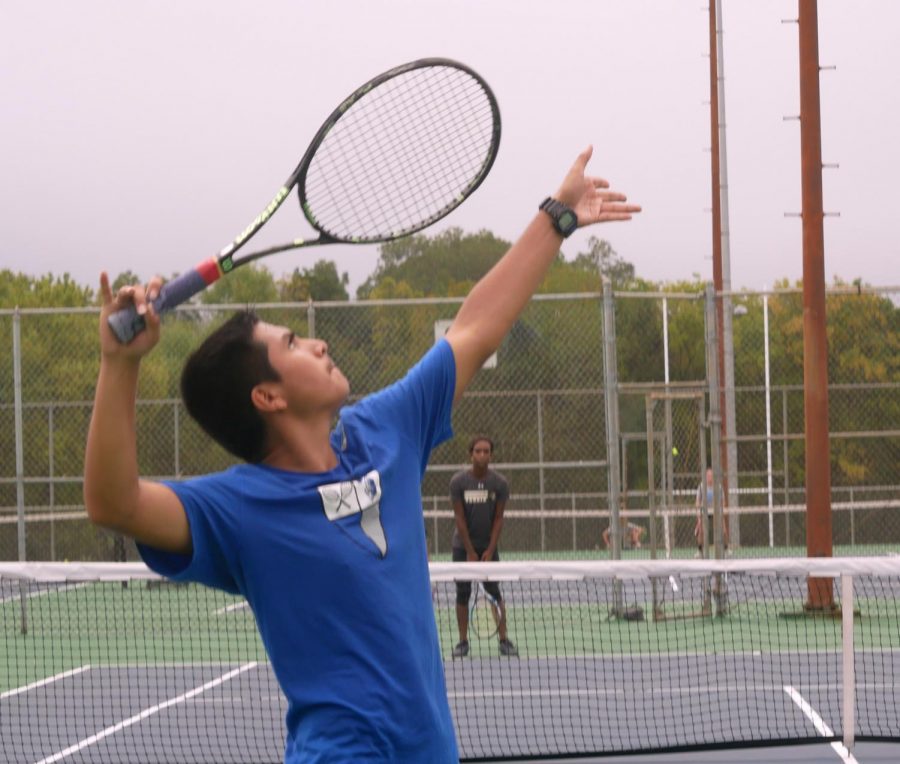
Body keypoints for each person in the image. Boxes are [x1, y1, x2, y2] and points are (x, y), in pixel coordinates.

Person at [83, 146, 640, 763]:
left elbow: (474, 330)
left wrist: (555, 217)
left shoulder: (385, 429)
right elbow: (115, 503)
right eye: (293, 342)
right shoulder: (237, 508)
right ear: (267, 395)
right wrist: (119, 364)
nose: (318, 344)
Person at [449, 435, 515, 658]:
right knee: (462, 593)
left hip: (488, 547)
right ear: (471, 454)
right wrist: (469, 551)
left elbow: (499, 518)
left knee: (494, 592)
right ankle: (462, 642)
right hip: (462, 548)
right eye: (478, 451)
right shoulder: (458, 482)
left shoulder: (499, 483)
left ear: (491, 454)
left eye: (486, 451)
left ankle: (504, 640)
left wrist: (489, 549)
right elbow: (459, 518)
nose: (482, 455)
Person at [694, 467, 729, 555]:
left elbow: (723, 503)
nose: (710, 477)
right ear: (705, 477)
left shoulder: (718, 487)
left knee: (723, 529)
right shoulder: (701, 487)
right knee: (701, 531)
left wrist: (717, 508)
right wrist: (699, 513)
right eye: (708, 475)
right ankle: (700, 550)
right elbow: (697, 503)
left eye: (711, 475)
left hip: (716, 511)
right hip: (704, 512)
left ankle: (726, 549)